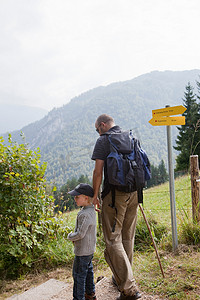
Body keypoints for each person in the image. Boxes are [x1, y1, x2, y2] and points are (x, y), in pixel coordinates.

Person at [91, 114, 141, 300]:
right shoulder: (130, 136)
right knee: (127, 236)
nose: (97, 132)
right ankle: (121, 277)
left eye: (97, 129)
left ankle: (129, 288)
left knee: (113, 240)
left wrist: (95, 196)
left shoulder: (104, 140)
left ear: (103, 125)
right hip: (134, 193)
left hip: (114, 196)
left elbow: (98, 172)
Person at [67, 183, 97, 300]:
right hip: (89, 250)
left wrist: (70, 236)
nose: (75, 199)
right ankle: (90, 293)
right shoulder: (91, 211)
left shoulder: (84, 214)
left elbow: (80, 234)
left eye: (77, 197)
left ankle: (78, 298)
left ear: (86, 198)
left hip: (82, 251)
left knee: (78, 275)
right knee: (88, 271)